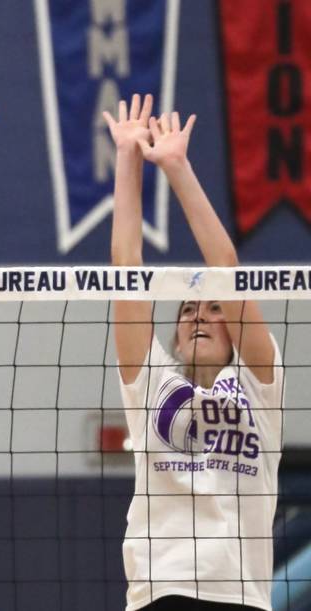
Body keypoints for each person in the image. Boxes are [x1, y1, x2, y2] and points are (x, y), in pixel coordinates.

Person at [104, 94, 284, 611]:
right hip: (162, 591)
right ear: (176, 333)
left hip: (241, 596)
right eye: (187, 310)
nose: (201, 315)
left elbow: (225, 264)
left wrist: (178, 167)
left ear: (233, 328)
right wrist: (127, 159)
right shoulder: (151, 383)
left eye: (213, 309)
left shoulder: (260, 383)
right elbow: (126, 268)